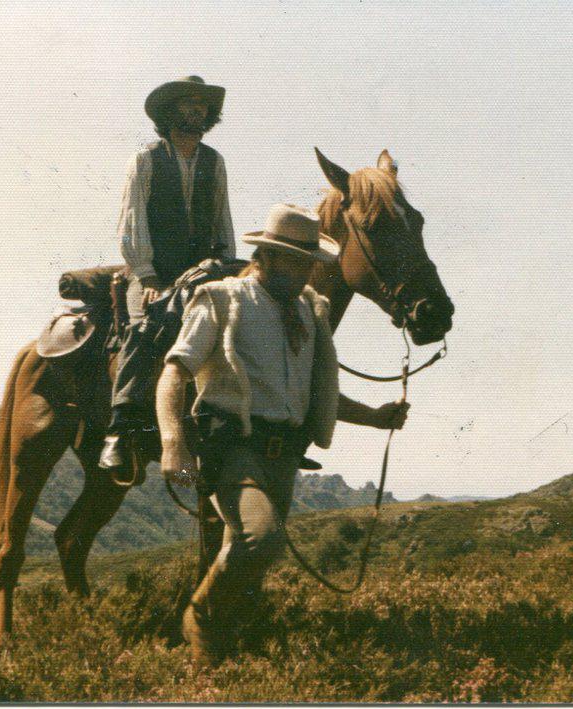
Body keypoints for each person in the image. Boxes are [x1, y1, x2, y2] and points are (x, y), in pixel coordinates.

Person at [156, 203, 410, 664]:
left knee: (244, 556)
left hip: (283, 457)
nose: (302, 272)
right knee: (262, 537)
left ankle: (211, 663)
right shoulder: (222, 300)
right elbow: (175, 372)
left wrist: (375, 416)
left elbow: (319, 393)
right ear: (267, 256)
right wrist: (172, 440)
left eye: (309, 263)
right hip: (233, 449)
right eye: (292, 261)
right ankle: (199, 617)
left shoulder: (310, 312)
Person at [100, 75, 236, 471]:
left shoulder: (215, 161)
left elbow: (223, 222)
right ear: (169, 112)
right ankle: (120, 429)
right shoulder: (146, 159)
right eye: (187, 104)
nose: (196, 111)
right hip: (152, 273)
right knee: (146, 327)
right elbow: (131, 223)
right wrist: (146, 277)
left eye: (202, 105)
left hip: (203, 274)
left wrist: (228, 266)